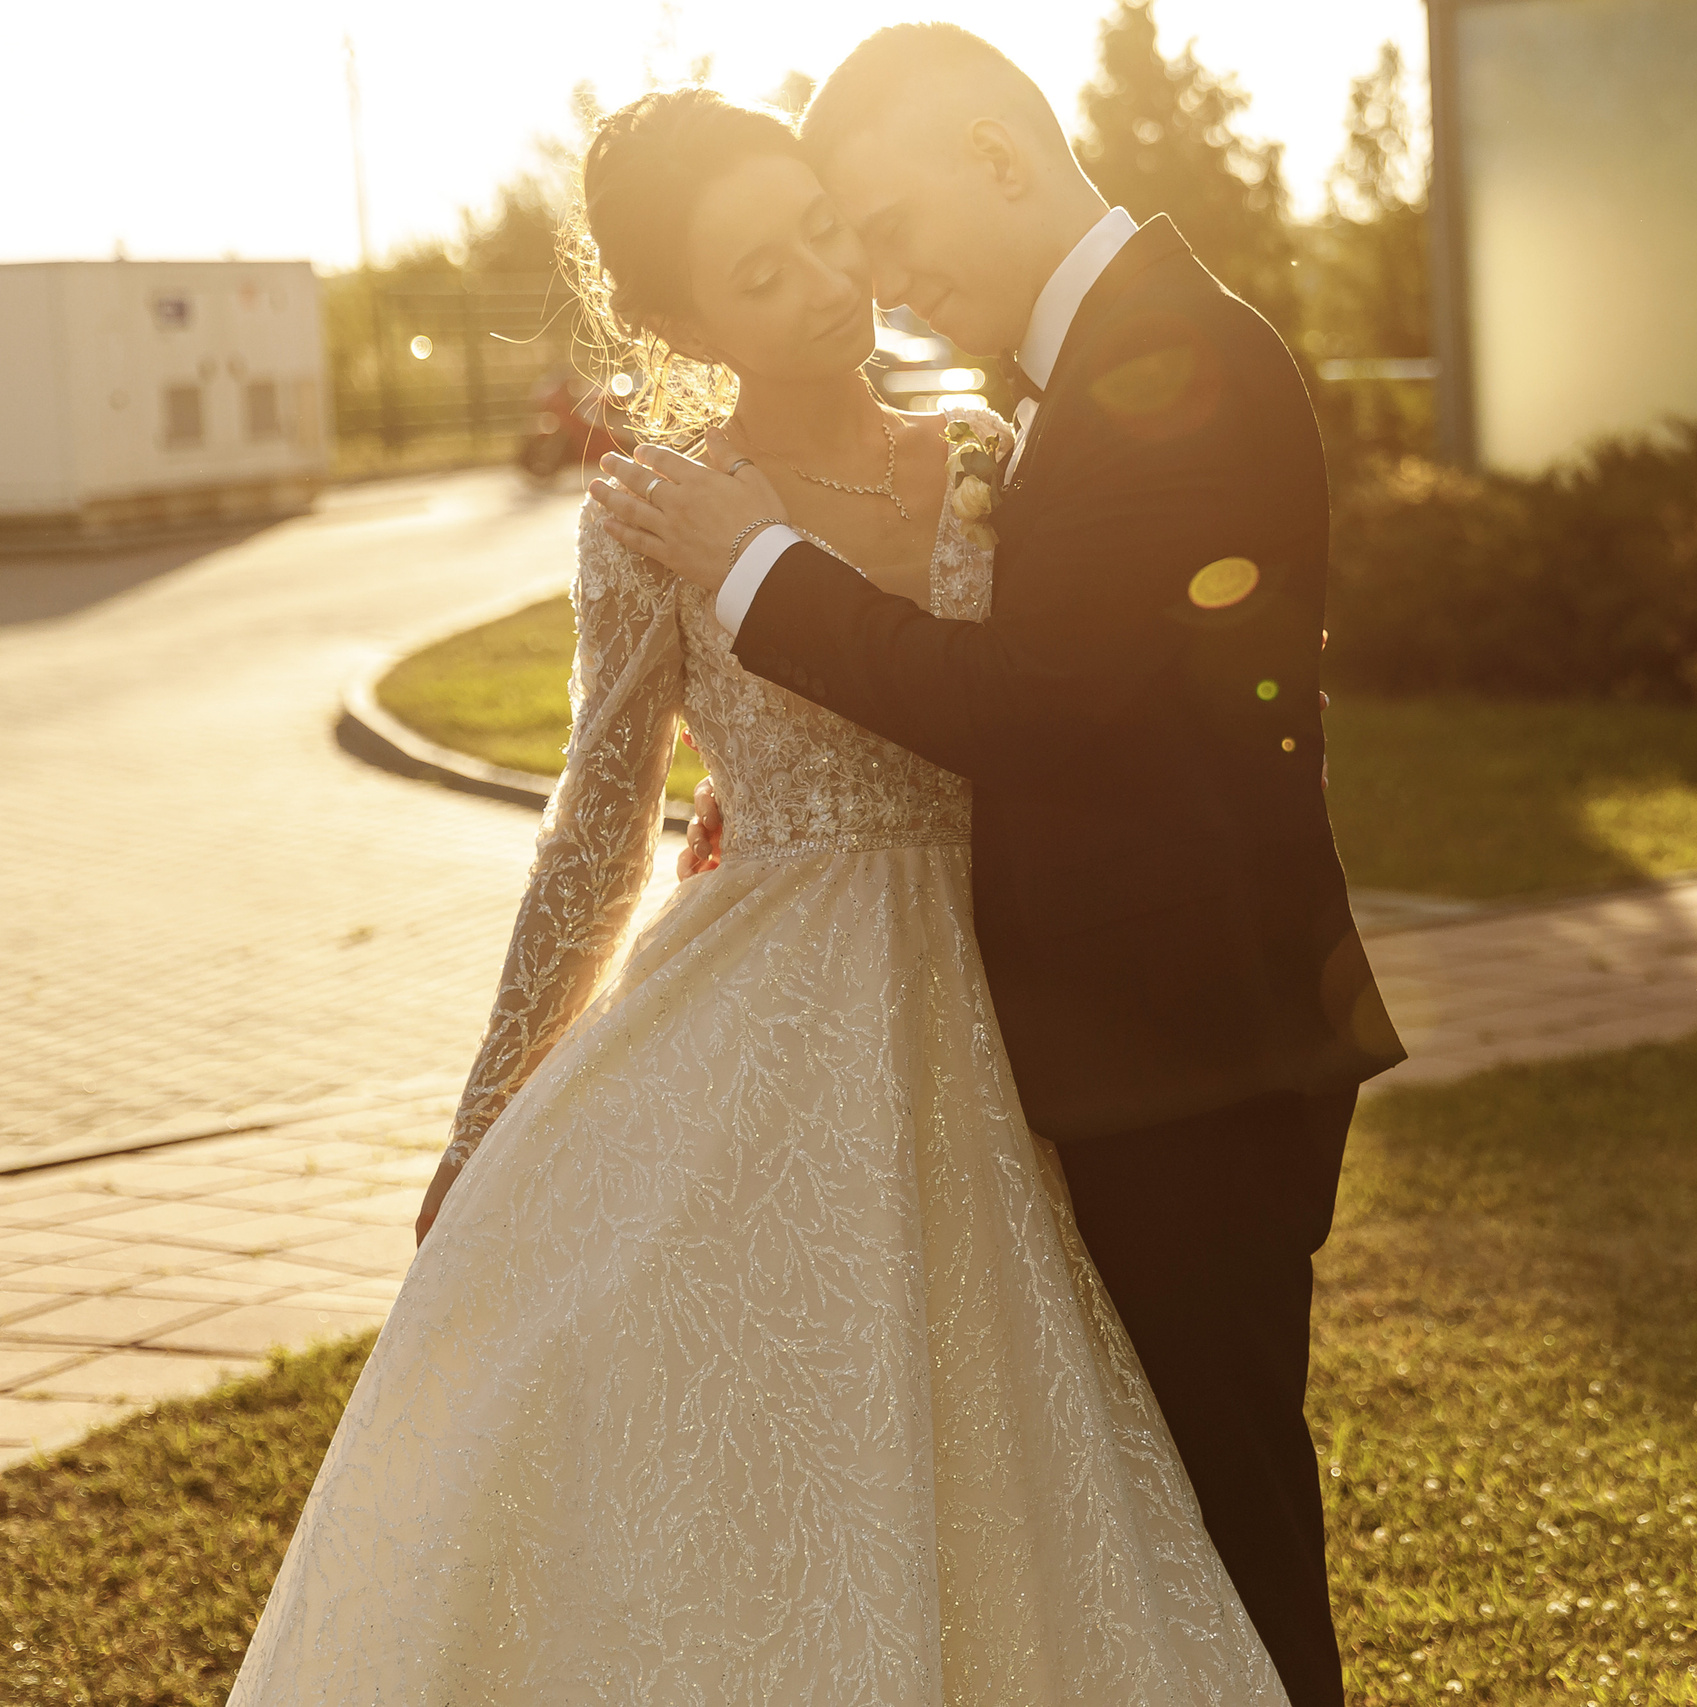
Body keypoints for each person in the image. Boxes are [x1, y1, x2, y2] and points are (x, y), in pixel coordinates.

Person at [226, 88, 1291, 1705]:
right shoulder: (652, 518)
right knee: (757, 1437)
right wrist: (484, 1116)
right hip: (766, 1011)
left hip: (1018, 1000)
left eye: (826, 231)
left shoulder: (994, 453)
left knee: (1023, 1432)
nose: (825, 282)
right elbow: (592, 832)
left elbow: (1045, 706)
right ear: (672, 318)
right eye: (761, 269)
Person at [592, 26, 1405, 1706]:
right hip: (1131, 1052)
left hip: (1194, 1062)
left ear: (998, 159)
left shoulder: (1166, 359)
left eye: (884, 227)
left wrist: (760, 573)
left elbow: (1036, 708)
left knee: (1228, 1548)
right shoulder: (1092, 367)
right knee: (1139, 1550)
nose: (871, 277)